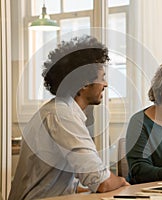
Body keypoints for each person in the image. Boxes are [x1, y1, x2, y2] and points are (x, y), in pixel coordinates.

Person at [8, 35, 129, 200]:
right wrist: (121, 181)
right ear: (85, 84)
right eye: (102, 78)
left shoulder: (59, 110)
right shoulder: (61, 115)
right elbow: (101, 182)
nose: (105, 84)